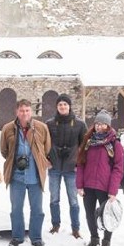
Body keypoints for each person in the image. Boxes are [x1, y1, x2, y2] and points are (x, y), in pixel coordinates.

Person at [0, 99, 52, 246]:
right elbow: (4, 150)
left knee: (37, 209)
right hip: (16, 176)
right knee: (16, 208)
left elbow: (46, 148)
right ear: (17, 111)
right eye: (22, 110)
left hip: (35, 175)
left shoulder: (41, 128)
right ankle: (17, 236)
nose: (24, 113)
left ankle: (36, 237)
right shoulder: (8, 128)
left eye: (27, 110)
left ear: (31, 111)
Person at [76, 110, 124, 246]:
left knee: (106, 215)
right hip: (88, 185)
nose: (99, 127)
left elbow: (118, 168)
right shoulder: (88, 142)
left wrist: (113, 190)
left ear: (108, 126)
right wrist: (79, 185)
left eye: (103, 124)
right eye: (97, 124)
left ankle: (106, 242)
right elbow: (80, 164)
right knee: (89, 214)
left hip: (105, 187)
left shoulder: (114, 144)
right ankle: (94, 238)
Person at [45, 93, 86, 238]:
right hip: (54, 167)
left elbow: (84, 146)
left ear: (69, 106)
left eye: (65, 104)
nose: (63, 107)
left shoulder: (80, 124)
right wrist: (46, 160)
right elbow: (44, 144)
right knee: (54, 198)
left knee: (73, 200)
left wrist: (79, 164)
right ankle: (55, 224)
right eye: (60, 104)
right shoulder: (49, 124)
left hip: (71, 168)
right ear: (57, 107)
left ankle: (75, 228)